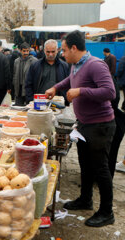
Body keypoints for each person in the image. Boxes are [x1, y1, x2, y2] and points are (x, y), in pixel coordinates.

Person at [45, 30, 116, 228]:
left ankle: (107, 212)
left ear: (74, 48)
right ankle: (85, 199)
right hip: (84, 124)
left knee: (100, 168)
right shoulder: (76, 65)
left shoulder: (95, 65)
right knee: (85, 164)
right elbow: (70, 81)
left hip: (100, 125)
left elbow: (110, 91)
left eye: (65, 50)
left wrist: (81, 92)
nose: (63, 54)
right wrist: (55, 87)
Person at [25, 39, 70, 104]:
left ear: (57, 50)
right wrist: (30, 100)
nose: (50, 54)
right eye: (48, 52)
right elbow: (28, 84)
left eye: (53, 51)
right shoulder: (35, 66)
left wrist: (66, 101)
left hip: (58, 103)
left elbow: (68, 85)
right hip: (39, 103)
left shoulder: (64, 66)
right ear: (44, 51)